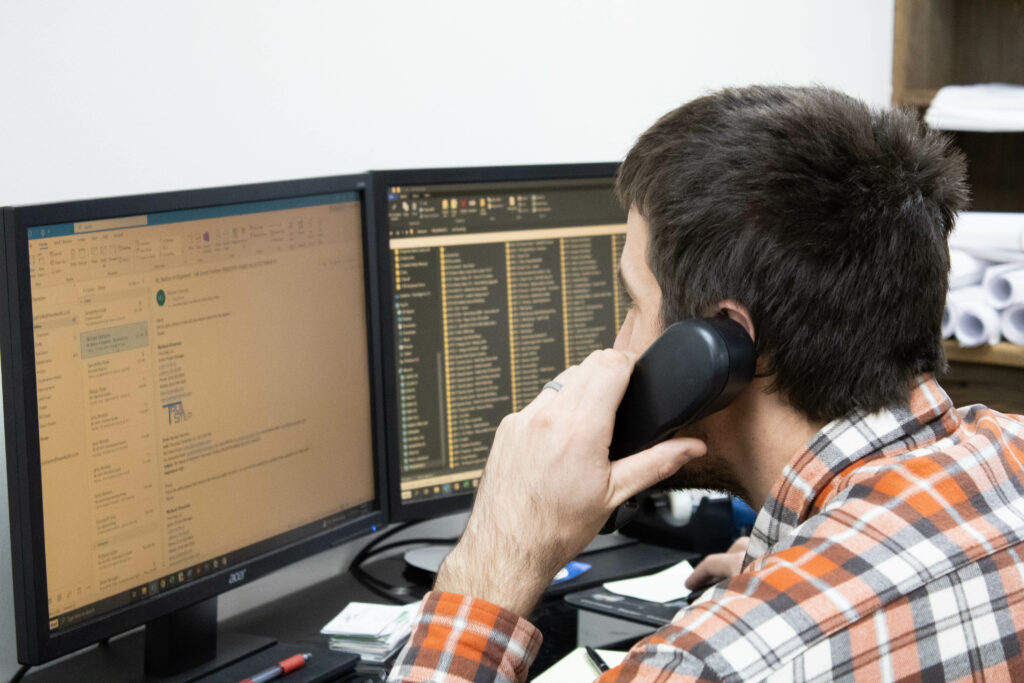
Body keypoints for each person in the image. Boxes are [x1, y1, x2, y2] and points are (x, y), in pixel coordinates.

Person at [389, 85, 1024, 681]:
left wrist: (497, 558)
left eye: (634, 304)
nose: (617, 346)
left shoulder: (705, 664)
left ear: (717, 348)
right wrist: (784, 568)